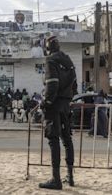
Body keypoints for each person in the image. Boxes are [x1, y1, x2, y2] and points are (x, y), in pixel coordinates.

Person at [39, 36, 76, 190]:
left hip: (54, 106)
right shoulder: (68, 61)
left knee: (53, 140)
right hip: (66, 104)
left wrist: (46, 102)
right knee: (67, 140)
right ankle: (70, 176)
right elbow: (74, 84)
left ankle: (56, 179)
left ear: (48, 48)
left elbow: (52, 84)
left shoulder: (50, 61)